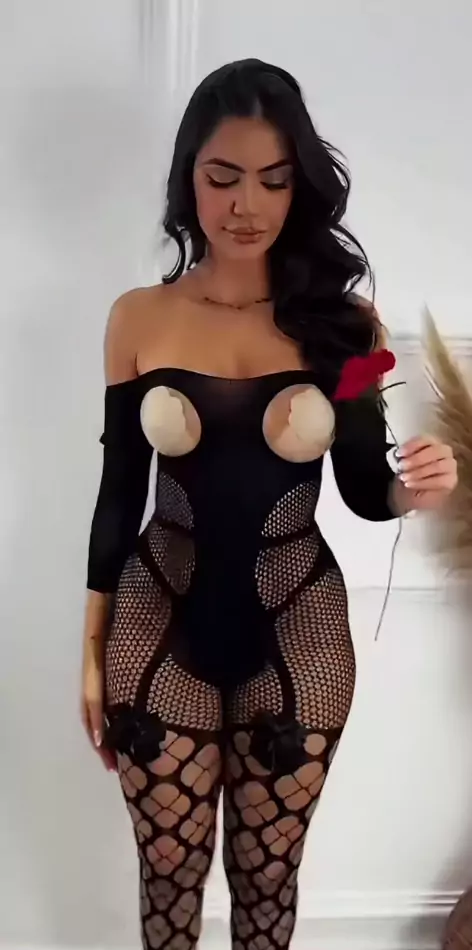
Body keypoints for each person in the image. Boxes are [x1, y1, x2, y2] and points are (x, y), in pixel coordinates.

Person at [81, 59, 457, 950]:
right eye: (223, 177)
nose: (246, 204)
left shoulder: (350, 328)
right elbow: (117, 495)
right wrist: (90, 651)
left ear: (300, 188)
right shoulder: (137, 318)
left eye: (274, 180)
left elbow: (364, 486)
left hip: (299, 625)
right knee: (167, 873)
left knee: (268, 876)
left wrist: (413, 487)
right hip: (157, 609)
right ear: (188, 178)